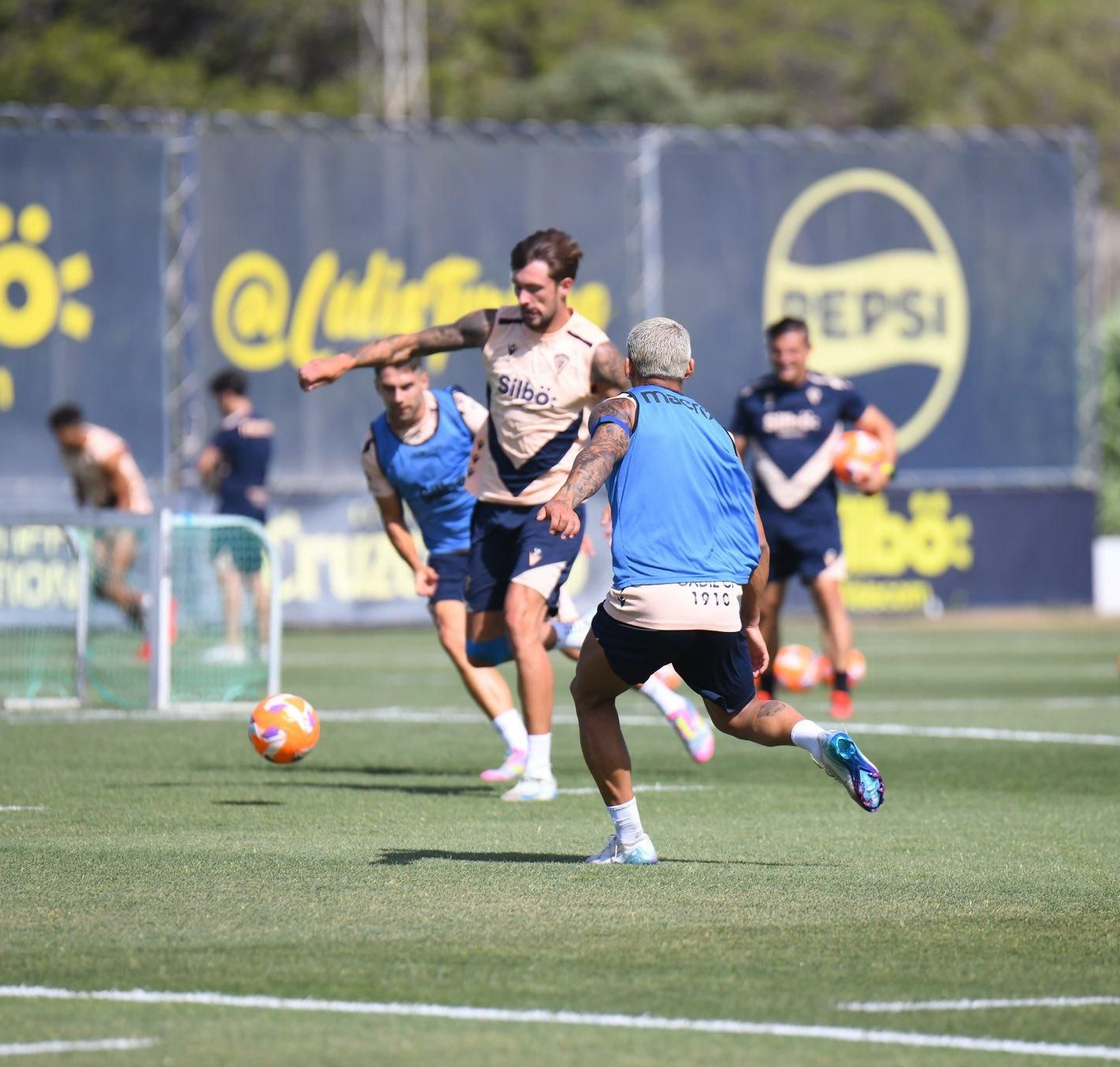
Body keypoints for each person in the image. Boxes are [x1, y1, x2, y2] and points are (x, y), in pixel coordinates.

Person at [539, 317, 884, 864]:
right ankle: (820, 739)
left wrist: (566, 497)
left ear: (628, 370)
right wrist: (749, 620)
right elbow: (760, 544)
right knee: (738, 714)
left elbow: (602, 450)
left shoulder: (623, 406)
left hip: (651, 598)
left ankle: (631, 841)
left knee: (591, 694)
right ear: (690, 370)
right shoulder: (721, 434)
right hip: (720, 600)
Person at [300, 229, 628, 801]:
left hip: (551, 507)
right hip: (491, 508)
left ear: (565, 286)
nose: (524, 299)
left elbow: (632, 417)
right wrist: (344, 361)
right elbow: (413, 340)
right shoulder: (492, 326)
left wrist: (617, 498)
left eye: (535, 289)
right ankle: (569, 629)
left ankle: (539, 771)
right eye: (518, 287)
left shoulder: (593, 351)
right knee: (480, 647)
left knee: (521, 622)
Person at [361, 357, 715, 783]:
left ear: (422, 380)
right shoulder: (377, 447)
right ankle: (518, 742)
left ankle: (663, 699)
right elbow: (392, 517)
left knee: (540, 635)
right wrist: (415, 563)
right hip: (447, 553)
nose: (398, 397)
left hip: (505, 531)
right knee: (469, 648)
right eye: (388, 389)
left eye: (405, 385)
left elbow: (516, 453)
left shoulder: (459, 410)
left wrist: (558, 512)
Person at [730, 318, 898, 719]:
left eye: (793, 351)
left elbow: (883, 428)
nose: (785, 359)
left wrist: (883, 472)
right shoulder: (753, 397)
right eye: (778, 352)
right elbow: (734, 450)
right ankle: (764, 688)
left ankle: (840, 688)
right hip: (768, 520)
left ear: (807, 350)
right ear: (770, 352)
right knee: (766, 606)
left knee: (828, 597)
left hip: (817, 518)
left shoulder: (834, 393)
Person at [47, 403, 152, 631]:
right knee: (99, 586)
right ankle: (143, 609)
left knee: (112, 582)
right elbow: (80, 484)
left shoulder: (101, 446)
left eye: (60, 434)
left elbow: (122, 486)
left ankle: (153, 608)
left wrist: (119, 524)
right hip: (103, 516)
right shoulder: (68, 452)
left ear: (71, 430)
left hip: (128, 515)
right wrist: (86, 516)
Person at [196, 369, 275, 665]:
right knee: (256, 577)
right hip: (258, 506)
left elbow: (204, 465)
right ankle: (265, 644)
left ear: (225, 395)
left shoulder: (229, 429)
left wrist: (212, 482)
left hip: (232, 508)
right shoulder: (264, 425)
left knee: (228, 575)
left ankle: (234, 644)